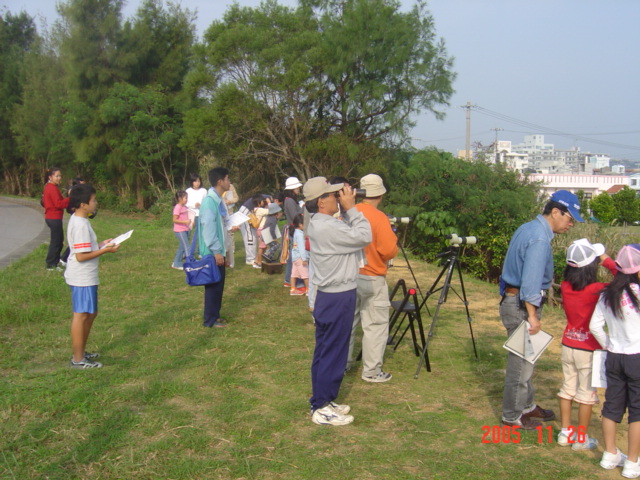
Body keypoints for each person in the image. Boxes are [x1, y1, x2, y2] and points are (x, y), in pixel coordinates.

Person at [500, 190, 583, 429]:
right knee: (521, 365)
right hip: (523, 306)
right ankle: (512, 416)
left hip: (514, 300)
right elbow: (531, 282)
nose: (571, 224)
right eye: (570, 218)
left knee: (528, 361)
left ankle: (526, 405)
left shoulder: (529, 228)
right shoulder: (538, 238)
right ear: (555, 212)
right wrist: (533, 316)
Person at [304, 176, 372, 426]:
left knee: (325, 351)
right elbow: (364, 235)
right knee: (333, 352)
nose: (338, 198)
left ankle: (323, 398)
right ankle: (321, 407)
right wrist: (352, 208)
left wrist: (345, 209)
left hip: (328, 296)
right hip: (337, 296)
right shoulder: (327, 227)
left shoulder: (319, 222)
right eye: (333, 195)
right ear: (321, 202)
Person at [558, 238, 616, 450]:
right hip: (589, 349)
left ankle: (565, 432)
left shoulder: (564, 286)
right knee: (586, 395)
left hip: (568, 344)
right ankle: (581, 438)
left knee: (567, 389)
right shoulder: (598, 289)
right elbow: (625, 279)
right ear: (592, 265)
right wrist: (604, 257)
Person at [590, 244, 640, 477]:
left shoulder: (607, 293)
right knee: (637, 412)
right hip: (637, 358)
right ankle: (632, 462)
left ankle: (610, 454)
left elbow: (594, 326)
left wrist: (608, 344)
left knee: (611, 406)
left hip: (614, 356)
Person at [347, 174, 398, 382]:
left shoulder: (350, 213)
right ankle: (371, 371)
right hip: (372, 276)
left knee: (348, 324)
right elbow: (388, 250)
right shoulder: (379, 218)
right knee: (375, 325)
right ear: (381, 194)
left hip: (349, 275)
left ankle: (342, 364)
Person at [64, 184, 119, 368]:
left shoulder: (82, 220)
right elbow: (80, 256)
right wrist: (105, 251)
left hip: (87, 276)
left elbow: (85, 248)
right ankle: (78, 359)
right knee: (81, 316)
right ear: (82, 204)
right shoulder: (79, 224)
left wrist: (102, 244)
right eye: (93, 200)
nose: (96, 203)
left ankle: (81, 351)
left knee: (91, 313)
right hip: (81, 278)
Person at [198, 167, 236, 328]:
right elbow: (208, 228)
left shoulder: (217, 200)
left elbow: (219, 225)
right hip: (212, 253)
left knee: (218, 285)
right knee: (213, 286)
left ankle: (215, 315)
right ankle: (210, 320)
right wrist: (216, 251)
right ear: (220, 182)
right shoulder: (209, 202)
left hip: (219, 250)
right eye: (227, 179)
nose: (229, 182)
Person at [43, 167, 70, 271]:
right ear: (50, 177)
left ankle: (55, 262)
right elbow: (59, 204)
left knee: (58, 240)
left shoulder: (51, 187)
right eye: (57, 176)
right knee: (56, 241)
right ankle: (51, 264)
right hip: (53, 217)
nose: (59, 178)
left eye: (60, 176)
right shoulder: (51, 188)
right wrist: (70, 198)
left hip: (54, 217)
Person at [283, 177, 303, 288]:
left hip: (294, 230)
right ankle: (291, 280)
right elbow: (295, 216)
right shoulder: (290, 201)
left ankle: (289, 279)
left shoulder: (290, 200)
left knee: (293, 256)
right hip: (294, 230)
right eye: (297, 187)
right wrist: (303, 209)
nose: (298, 189)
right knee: (294, 257)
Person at [172, 190, 193, 270]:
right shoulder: (177, 207)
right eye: (185, 198)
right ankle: (190, 263)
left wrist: (191, 221)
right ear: (180, 199)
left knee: (182, 247)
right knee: (187, 247)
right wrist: (185, 222)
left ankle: (176, 263)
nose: (187, 200)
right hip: (179, 230)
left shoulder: (185, 207)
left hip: (186, 229)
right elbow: (174, 220)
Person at [290, 214, 309, 296]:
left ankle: (293, 289)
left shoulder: (295, 233)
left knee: (294, 274)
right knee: (305, 274)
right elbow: (302, 248)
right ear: (301, 224)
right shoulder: (300, 235)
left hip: (295, 257)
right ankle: (309, 290)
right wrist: (304, 259)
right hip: (300, 258)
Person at [223, 183, 239, 268]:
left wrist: (230, 201)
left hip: (230, 210)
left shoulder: (231, 186)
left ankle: (231, 249)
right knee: (224, 231)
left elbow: (236, 198)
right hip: (222, 211)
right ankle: (225, 250)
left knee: (231, 230)